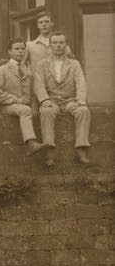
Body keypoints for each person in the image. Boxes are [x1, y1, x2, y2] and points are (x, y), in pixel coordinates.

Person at [34, 32, 91, 166]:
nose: (58, 46)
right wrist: (44, 100)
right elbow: (39, 85)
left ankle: (81, 148)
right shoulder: (42, 64)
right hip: (51, 100)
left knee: (83, 111)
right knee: (46, 112)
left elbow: (81, 82)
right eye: (55, 43)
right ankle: (49, 150)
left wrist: (81, 99)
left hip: (70, 100)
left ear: (66, 45)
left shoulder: (74, 64)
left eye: (61, 43)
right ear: (50, 46)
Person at [0, 38, 47, 156]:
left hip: (24, 106)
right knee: (25, 110)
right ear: (9, 51)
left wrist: (34, 105)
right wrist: (18, 100)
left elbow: (33, 91)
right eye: (16, 49)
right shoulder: (1, 69)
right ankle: (31, 143)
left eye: (23, 49)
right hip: (5, 106)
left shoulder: (28, 71)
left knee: (37, 111)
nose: (20, 52)